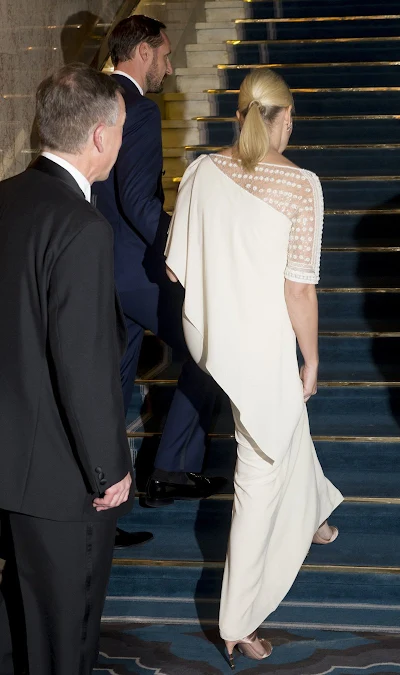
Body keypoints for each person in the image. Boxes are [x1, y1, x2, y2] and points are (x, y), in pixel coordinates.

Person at [164, 68, 344, 666]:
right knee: (258, 475)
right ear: (283, 117)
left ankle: (314, 511)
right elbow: (300, 292)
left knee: (280, 421)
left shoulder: (200, 171)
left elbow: (175, 268)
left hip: (218, 339)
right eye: (294, 117)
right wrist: (311, 358)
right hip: (264, 346)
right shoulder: (300, 186)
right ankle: (238, 620)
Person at [0, 63, 134, 675]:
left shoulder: (6, 199)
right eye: (123, 130)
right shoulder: (81, 227)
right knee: (63, 643)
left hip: (6, 462)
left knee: (15, 632)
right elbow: (82, 361)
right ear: (100, 137)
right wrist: (108, 469)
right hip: (59, 482)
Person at [93, 15, 225, 508]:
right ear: (143, 51)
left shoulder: (92, 97)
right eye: (166, 55)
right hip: (138, 269)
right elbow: (138, 200)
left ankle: (104, 503)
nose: (169, 68)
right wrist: (183, 246)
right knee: (207, 345)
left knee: (113, 385)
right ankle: (172, 468)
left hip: (97, 269)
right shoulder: (140, 110)